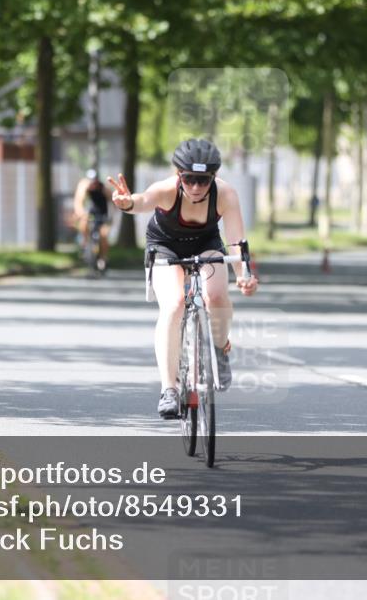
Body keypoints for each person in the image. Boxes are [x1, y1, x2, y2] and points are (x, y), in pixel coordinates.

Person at [106, 139, 259, 418]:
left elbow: (236, 239)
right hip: (165, 246)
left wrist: (243, 275)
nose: (196, 187)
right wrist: (127, 203)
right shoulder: (167, 190)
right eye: (189, 179)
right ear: (179, 175)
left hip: (206, 244)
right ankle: (169, 389)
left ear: (213, 177)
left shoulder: (225, 194)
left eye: (203, 180)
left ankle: (219, 350)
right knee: (175, 303)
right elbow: (142, 201)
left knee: (216, 296)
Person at [73, 169, 112, 271]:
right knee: (84, 224)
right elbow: (78, 202)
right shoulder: (84, 186)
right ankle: (85, 246)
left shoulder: (103, 188)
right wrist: (81, 213)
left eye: (94, 182)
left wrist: (111, 217)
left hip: (103, 213)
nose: (93, 184)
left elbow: (113, 201)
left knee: (103, 235)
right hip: (91, 212)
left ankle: (103, 258)